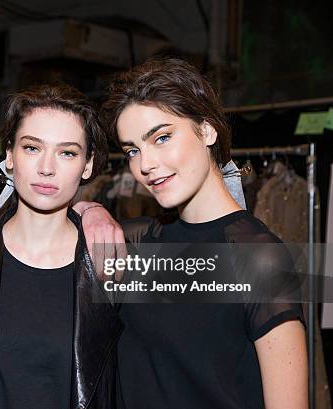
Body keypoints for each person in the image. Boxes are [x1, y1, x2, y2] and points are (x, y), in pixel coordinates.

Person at [99, 57, 308, 409]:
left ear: (207, 130)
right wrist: (90, 209)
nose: (145, 164)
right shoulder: (136, 242)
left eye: (162, 137)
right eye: (133, 150)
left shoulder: (258, 257)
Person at [0, 84, 122, 409]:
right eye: (32, 148)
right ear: (9, 153)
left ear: (87, 165)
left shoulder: (111, 256)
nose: (47, 167)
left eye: (67, 152)